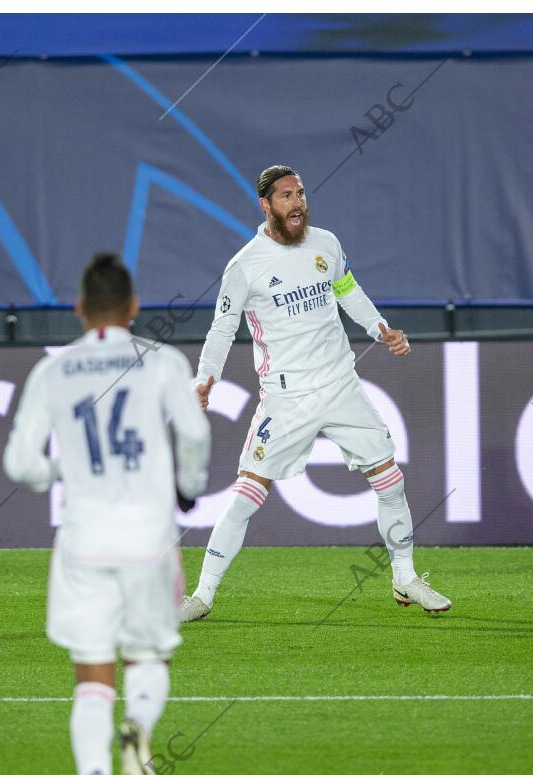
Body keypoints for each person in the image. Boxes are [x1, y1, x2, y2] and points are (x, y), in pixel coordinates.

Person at [179, 164, 450, 622]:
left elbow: (348, 290)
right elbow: (222, 328)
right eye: (286, 196)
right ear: (266, 206)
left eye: (300, 193)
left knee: (389, 479)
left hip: (341, 384)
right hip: (287, 398)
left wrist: (379, 328)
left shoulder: (327, 244)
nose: (297, 202)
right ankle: (202, 595)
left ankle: (405, 578)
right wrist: (205, 378)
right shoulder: (244, 266)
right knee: (246, 494)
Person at [3, 253, 210, 775]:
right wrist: (189, 489)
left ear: (78, 309)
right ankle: (139, 728)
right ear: (134, 306)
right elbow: (194, 433)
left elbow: (20, 463)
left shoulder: (54, 371)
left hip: (84, 541)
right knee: (149, 660)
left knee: (91, 680)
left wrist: (55, 472)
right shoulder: (162, 361)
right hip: (149, 540)